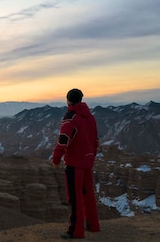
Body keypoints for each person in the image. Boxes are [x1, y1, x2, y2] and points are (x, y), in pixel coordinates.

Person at [52, 88, 100, 239]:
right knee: (88, 194)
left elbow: (64, 139)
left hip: (75, 163)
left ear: (68, 100)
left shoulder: (71, 116)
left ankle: (75, 231)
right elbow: (95, 140)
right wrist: (92, 156)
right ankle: (93, 225)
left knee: (75, 197)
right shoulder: (90, 117)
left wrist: (56, 158)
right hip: (88, 161)